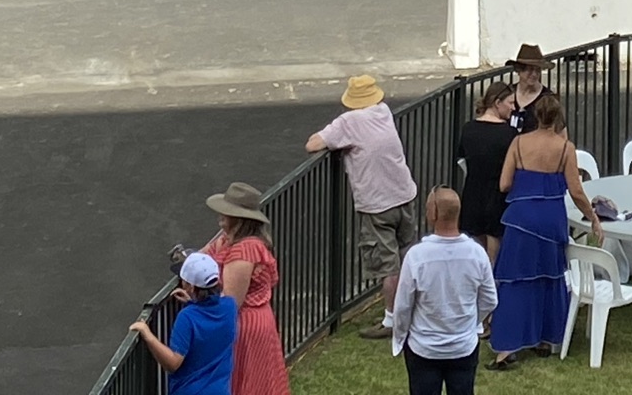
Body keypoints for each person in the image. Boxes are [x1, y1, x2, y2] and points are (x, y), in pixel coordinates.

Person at [488, 90, 599, 371]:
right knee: (549, 279)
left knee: (514, 280)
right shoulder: (565, 148)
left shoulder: (518, 143)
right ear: (559, 118)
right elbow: (576, 190)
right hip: (551, 220)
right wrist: (593, 217)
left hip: (521, 219)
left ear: (536, 116)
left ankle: (506, 349)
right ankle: (545, 340)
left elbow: (504, 184)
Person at [307, 74, 421, 340]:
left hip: (377, 204)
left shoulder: (349, 122)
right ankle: (413, 308)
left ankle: (392, 319)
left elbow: (313, 144)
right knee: (408, 254)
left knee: (388, 264)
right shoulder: (383, 112)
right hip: (403, 193)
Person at [393, 188, 497, 395]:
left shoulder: (417, 256)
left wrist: (400, 336)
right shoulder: (477, 253)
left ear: (433, 213)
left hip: (424, 347)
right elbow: (490, 299)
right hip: (463, 346)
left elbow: (403, 305)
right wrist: (470, 321)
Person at [202, 182, 291, 395]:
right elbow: (201, 257)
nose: (220, 218)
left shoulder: (245, 251)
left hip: (246, 326)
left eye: (225, 214)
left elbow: (231, 302)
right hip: (255, 320)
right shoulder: (229, 241)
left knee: (249, 383)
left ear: (238, 219)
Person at [131, 252, 237, 395]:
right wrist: (192, 302)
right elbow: (209, 316)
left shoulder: (187, 317)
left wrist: (148, 334)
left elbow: (174, 363)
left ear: (191, 287)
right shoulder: (230, 306)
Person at [456, 83, 517, 266]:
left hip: (472, 197)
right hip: (497, 199)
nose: (513, 108)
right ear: (497, 102)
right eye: (510, 103)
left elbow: (462, 158)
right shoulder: (509, 134)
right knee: (494, 261)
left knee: (475, 260)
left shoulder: (468, 129)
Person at [505, 44, 557, 133]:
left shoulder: (547, 98)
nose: (534, 74)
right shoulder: (507, 93)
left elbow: (560, 131)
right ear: (519, 70)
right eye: (529, 69)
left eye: (537, 70)